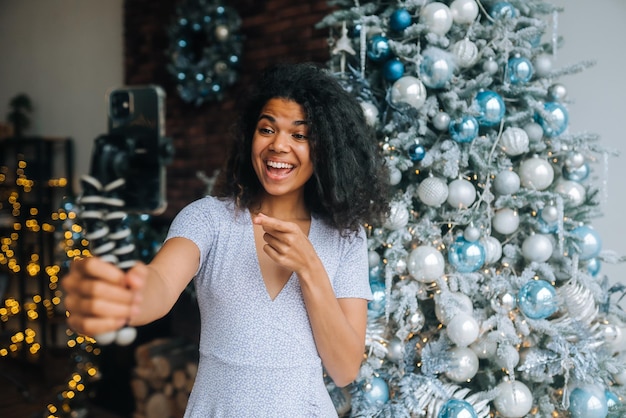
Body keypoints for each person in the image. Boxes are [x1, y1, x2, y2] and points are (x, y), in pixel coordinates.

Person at [62, 62, 390, 417]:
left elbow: (345, 369)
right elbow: (159, 283)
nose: (278, 145)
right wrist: (122, 298)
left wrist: (309, 267)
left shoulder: (345, 237)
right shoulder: (209, 218)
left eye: (300, 134)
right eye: (267, 129)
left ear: (326, 148)